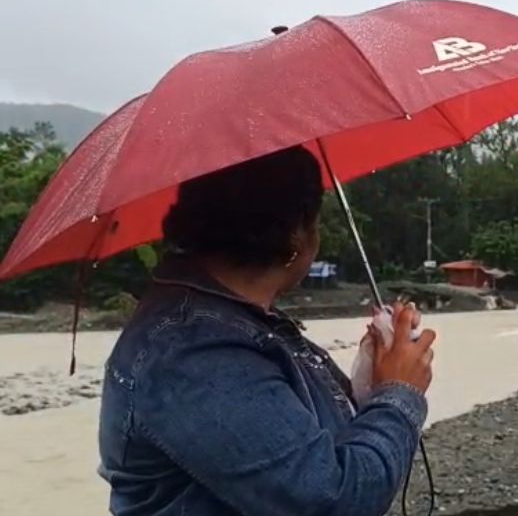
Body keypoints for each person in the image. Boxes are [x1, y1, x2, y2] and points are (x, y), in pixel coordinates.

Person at [97, 145, 436, 516]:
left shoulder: (234, 323)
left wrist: (374, 377)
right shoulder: (195, 351)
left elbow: (308, 441)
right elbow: (333, 500)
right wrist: (399, 394)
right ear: (297, 237)